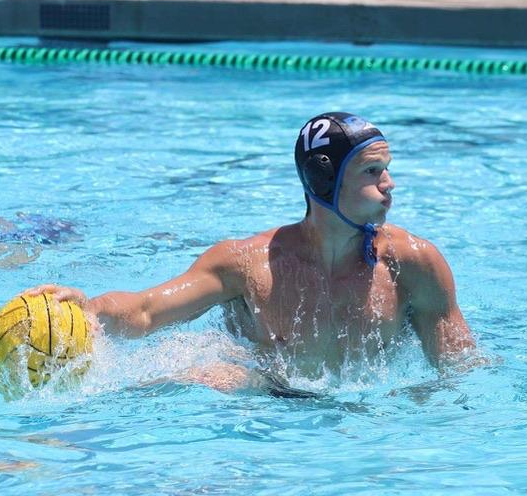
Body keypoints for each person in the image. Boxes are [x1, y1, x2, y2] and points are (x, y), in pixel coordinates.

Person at [26, 113, 476, 388]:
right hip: (265, 406)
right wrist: (93, 311)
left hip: (370, 420)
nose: (389, 184)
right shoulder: (248, 263)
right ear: (325, 178)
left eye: (387, 169)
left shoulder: (413, 263)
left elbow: (460, 369)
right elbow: (147, 310)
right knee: (205, 380)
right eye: (372, 171)